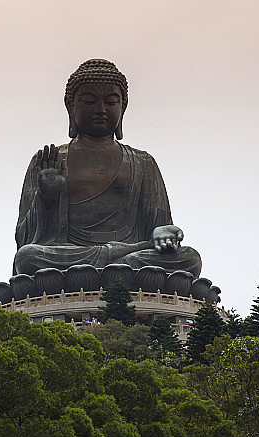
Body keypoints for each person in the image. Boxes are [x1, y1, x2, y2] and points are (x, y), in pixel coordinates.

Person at [13, 59, 202, 278]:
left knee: (190, 258)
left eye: (111, 102)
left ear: (124, 106)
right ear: (70, 106)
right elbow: (23, 240)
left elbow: (159, 230)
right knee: (28, 257)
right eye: (89, 102)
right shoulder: (48, 161)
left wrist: (163, 233)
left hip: (131, 255)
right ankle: (114, 268)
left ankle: (115, 265)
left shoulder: (142, 162)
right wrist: (46, 197)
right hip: (69, 256)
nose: (101, 110)